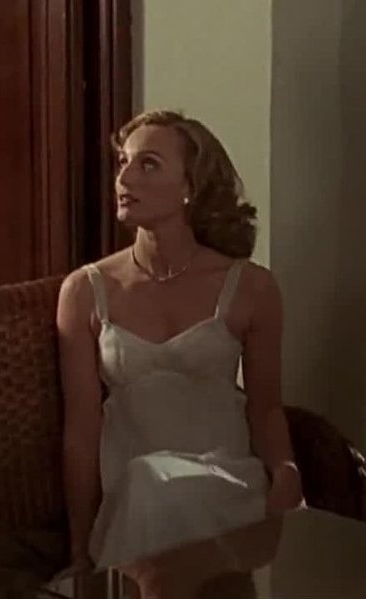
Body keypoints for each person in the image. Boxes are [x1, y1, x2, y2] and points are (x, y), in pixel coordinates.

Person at [56, 110, 305, 598]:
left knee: (157, 485)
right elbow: (81, 431)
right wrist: (80, 548)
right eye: (123, 163)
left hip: (224, 485)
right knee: (147, 481)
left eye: (148, 164)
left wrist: (286, 472)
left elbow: (266, 408)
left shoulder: (251, 287)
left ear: (190, 186)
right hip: (133, 500)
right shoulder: (85, 291)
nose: (124, 178)